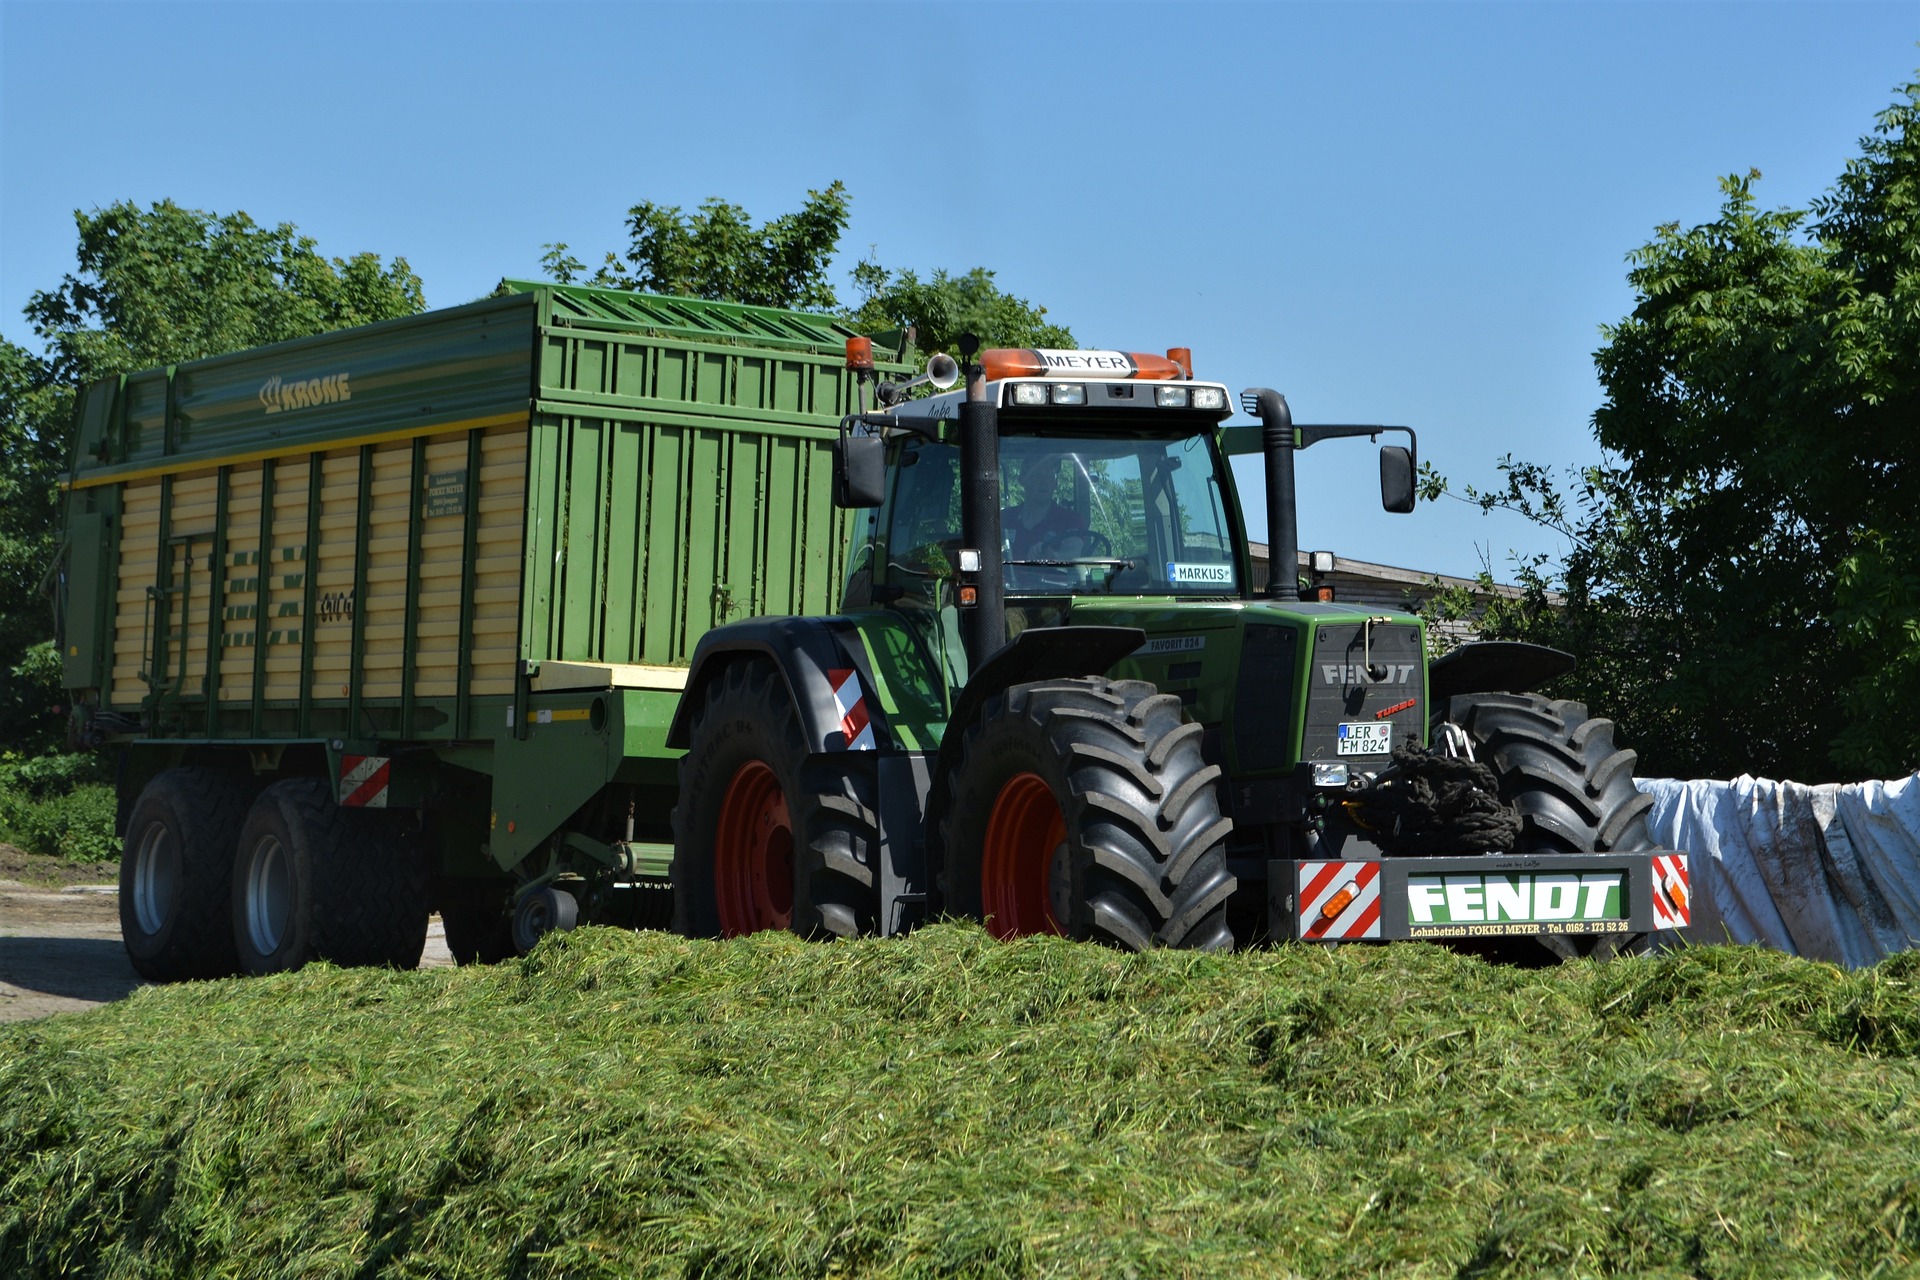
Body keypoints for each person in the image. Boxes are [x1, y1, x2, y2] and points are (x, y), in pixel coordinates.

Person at [1003, 453, 1085, 557]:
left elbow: (1073, 552)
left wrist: (1054, 557)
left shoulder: (1070, 519)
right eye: (1037, 475)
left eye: (1049, 475)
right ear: (1022, 480)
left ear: (1056, 483)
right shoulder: (1004, 519)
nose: (1044, 482)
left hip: (1052, 574)